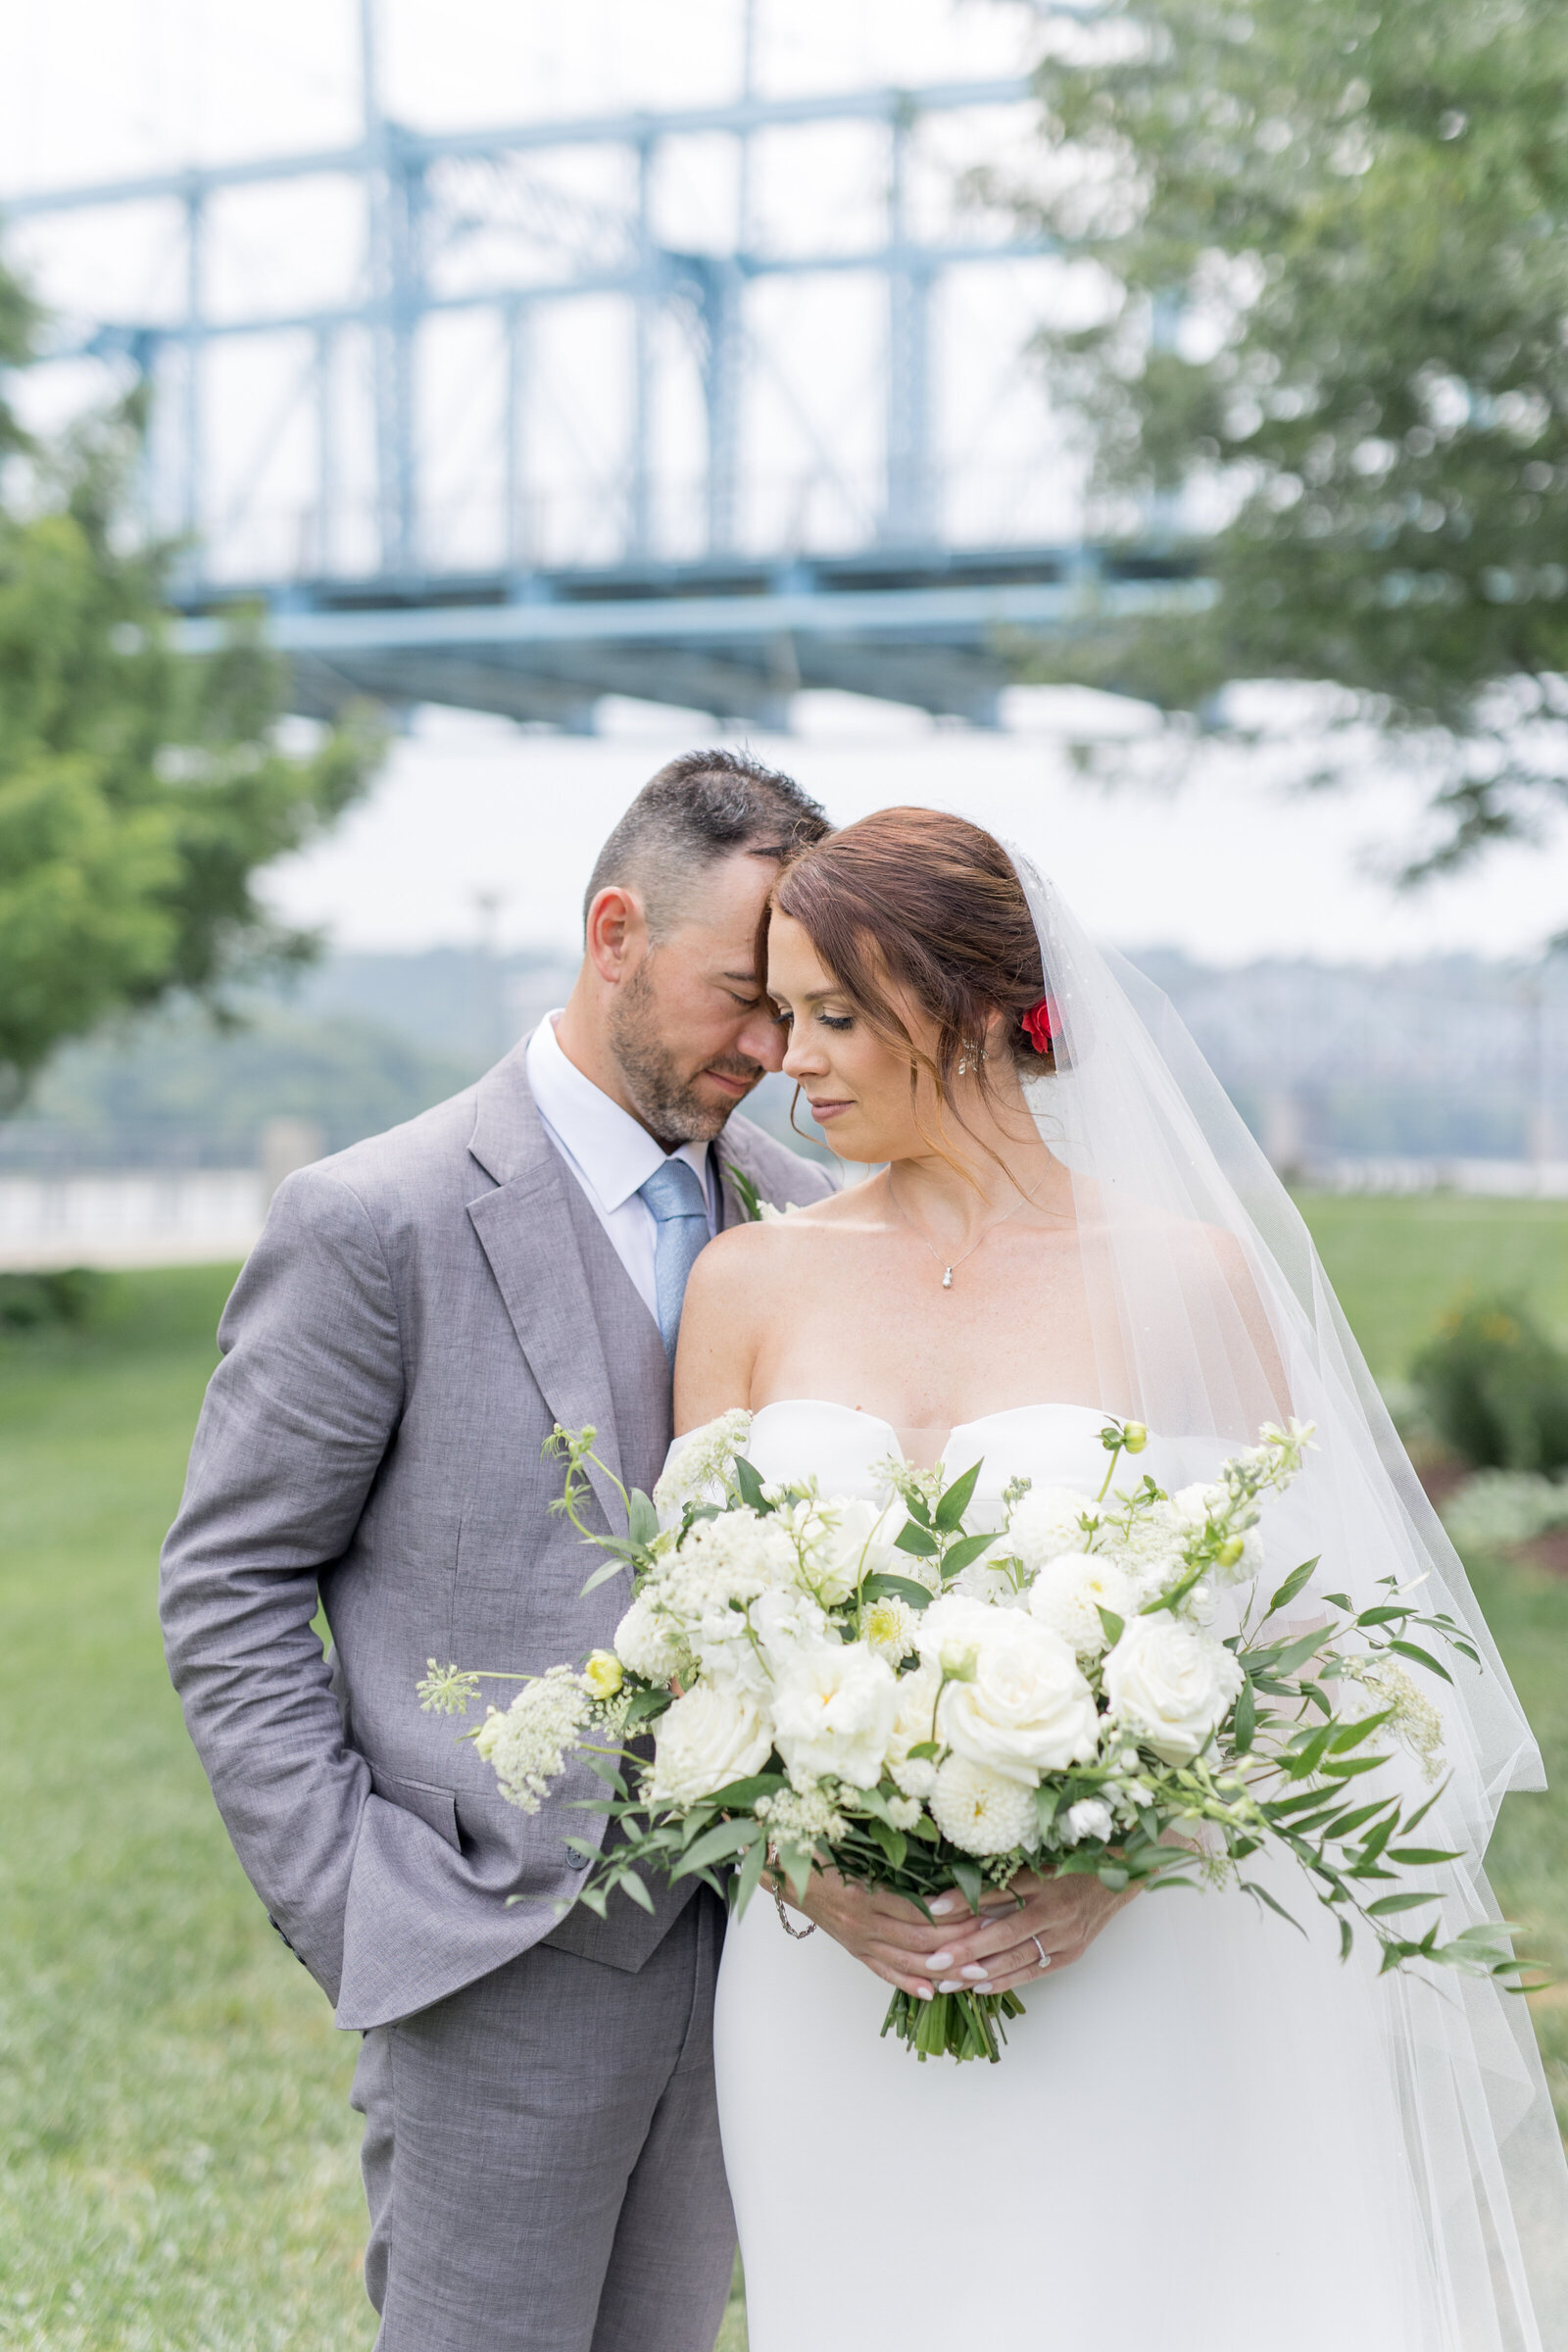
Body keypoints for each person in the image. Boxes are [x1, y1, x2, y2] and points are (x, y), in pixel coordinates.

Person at [674, 807, 1568, 2352]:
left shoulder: (1185, 1278)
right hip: (825, 1984)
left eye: (833, 1015)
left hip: (1129, 1959)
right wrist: (815, 1873)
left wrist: (1116, 1863)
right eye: (780, 1015)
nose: (787, 1059)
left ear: (957, 1010)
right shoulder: (745, 1281)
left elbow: (1307, 1654)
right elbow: (696, 1649)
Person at [159, 749, 835, 2352]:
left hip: (757, 1964)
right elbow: (230, 1586)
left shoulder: (806, 1221)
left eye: (799, 1010)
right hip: (485, 1960)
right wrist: (366, 1905)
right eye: (743, 995)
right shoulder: (371, 1220)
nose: (772, 1049)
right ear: (615, 932)